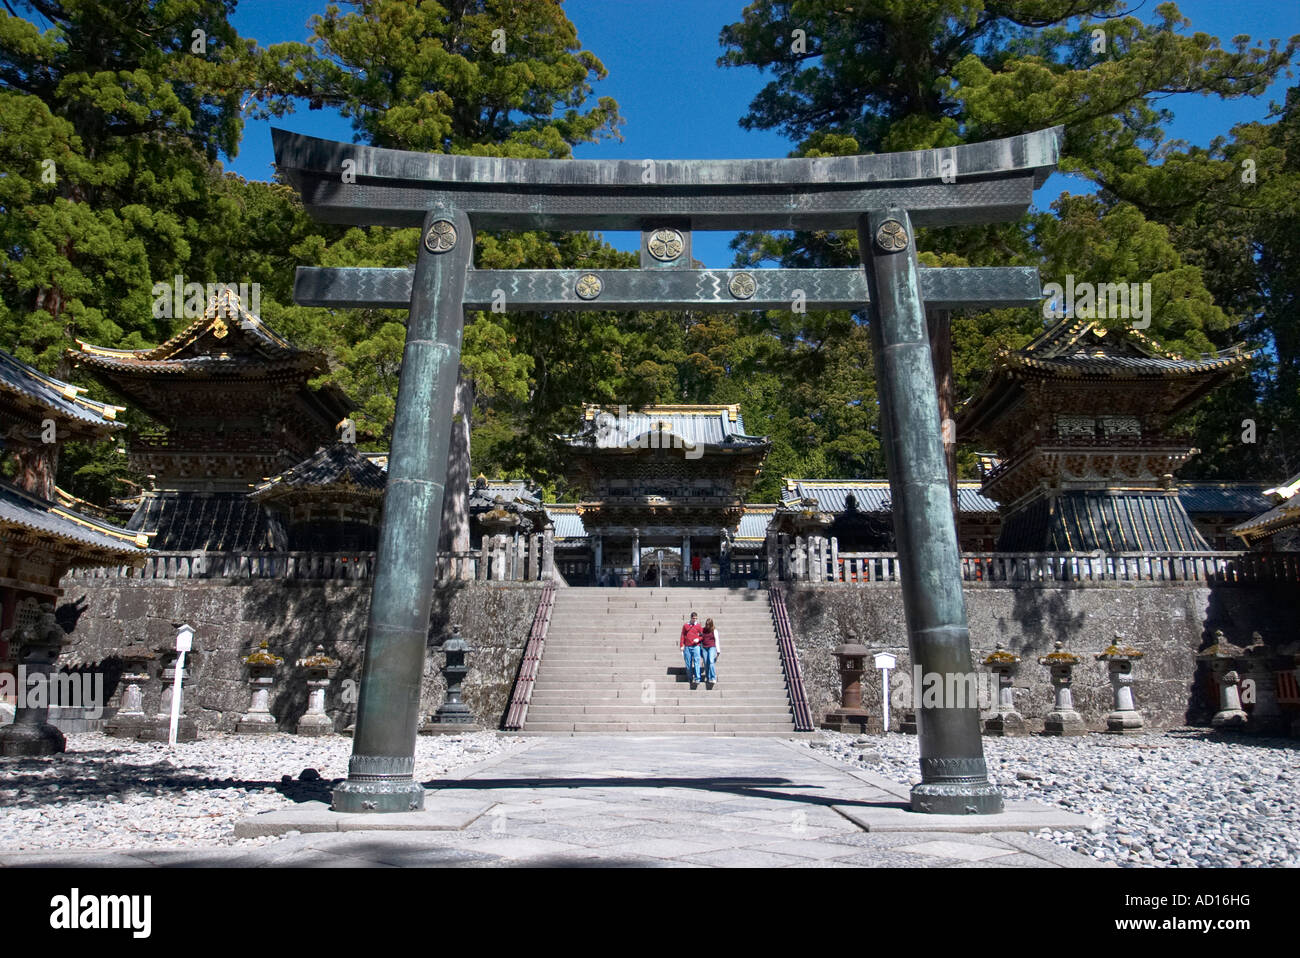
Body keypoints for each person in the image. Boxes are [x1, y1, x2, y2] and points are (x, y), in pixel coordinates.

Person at [679, 611, 703, 688]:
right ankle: (690, 678)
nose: (694, 620)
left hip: (696, 646)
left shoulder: (698, 626)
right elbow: (682, 635)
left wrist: (698, 639)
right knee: (688, 664)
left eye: (696, 618)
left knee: (697, 662)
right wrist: (681, 645)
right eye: (693, 618)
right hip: (688, 646)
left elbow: (702, 636)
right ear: (691, 618)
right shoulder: (686, 626)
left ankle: (697, 678)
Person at [700, 617, 720, 688]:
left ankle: (713, 677)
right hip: (704, 648)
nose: (707, 626)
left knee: (711, 661)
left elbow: (717, 641)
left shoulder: (714, 631)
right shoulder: (703, 630)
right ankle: (708, 677)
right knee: (706, 662)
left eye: (708, 625)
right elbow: (700, 639)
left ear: (711, 625)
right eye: (706, 624)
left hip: (712, 647)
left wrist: (718, 651)